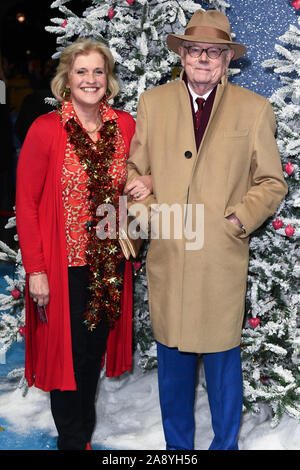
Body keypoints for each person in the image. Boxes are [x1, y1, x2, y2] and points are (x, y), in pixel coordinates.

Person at [124, 10, 288, 450]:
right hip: (170, 260)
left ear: (227, 60)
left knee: (222, 371)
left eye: (214, 52)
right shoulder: (153, 104)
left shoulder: (254, 110)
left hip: (220, 259)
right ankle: (178, 451)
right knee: (173, 373)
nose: (203, 59)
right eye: (195, 50)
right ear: (182, 55)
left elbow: (272, 181)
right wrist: (148, 212)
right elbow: (135, 171)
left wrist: (238, 220)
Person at [15, 38, 151, 451]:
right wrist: (36, 270)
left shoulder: (125, 125)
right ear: (66, 80)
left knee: (91, 354)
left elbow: (145, 169)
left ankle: (82, 437)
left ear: (107, 79)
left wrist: (147, 181)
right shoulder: (45, 129)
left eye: (97, 71)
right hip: (62, 265)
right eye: (81, 72)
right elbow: (27, 204)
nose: (90, 79)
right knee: (67, 358)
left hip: (109, 262)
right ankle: (72, 441)